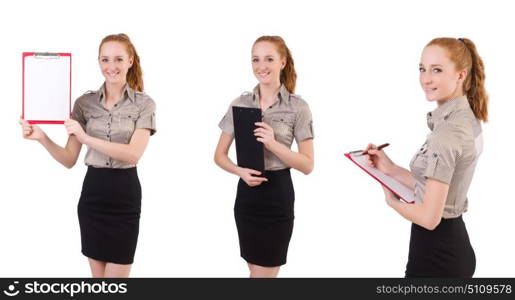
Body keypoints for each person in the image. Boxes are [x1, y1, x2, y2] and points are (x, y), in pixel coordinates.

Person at [19, 33, 156, 277]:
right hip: (93, 194)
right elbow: (69, 159)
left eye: (118, 59)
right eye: (104, 60)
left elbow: (134, 154)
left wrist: (86, 138)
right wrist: (42, 138)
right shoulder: (84, 103)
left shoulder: (144, 104)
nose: (111, 67)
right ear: (98, 62)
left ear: (130, 61)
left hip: (125, 195)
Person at [365, 37, 488, 277]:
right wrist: (389, 168)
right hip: (452, 246)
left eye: (437, 70)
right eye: (422, 69)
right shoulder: (463, 119)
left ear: (461, 75)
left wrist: (393, 203)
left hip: (436, 257)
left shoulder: (447, 133)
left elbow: (430, 218)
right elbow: (436, 188)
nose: (426, 79)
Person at [214, 36, 314, 278]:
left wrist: (273, 144)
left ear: (282, 62)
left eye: (269, 59)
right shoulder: (239, 103)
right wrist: (240, 172)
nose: (262, 66)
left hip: (277, 196)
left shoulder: (298, 107)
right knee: (255, 272)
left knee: (262, 276)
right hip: (247, 195)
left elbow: (308, 165)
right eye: (256, 59)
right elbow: (219, 155)